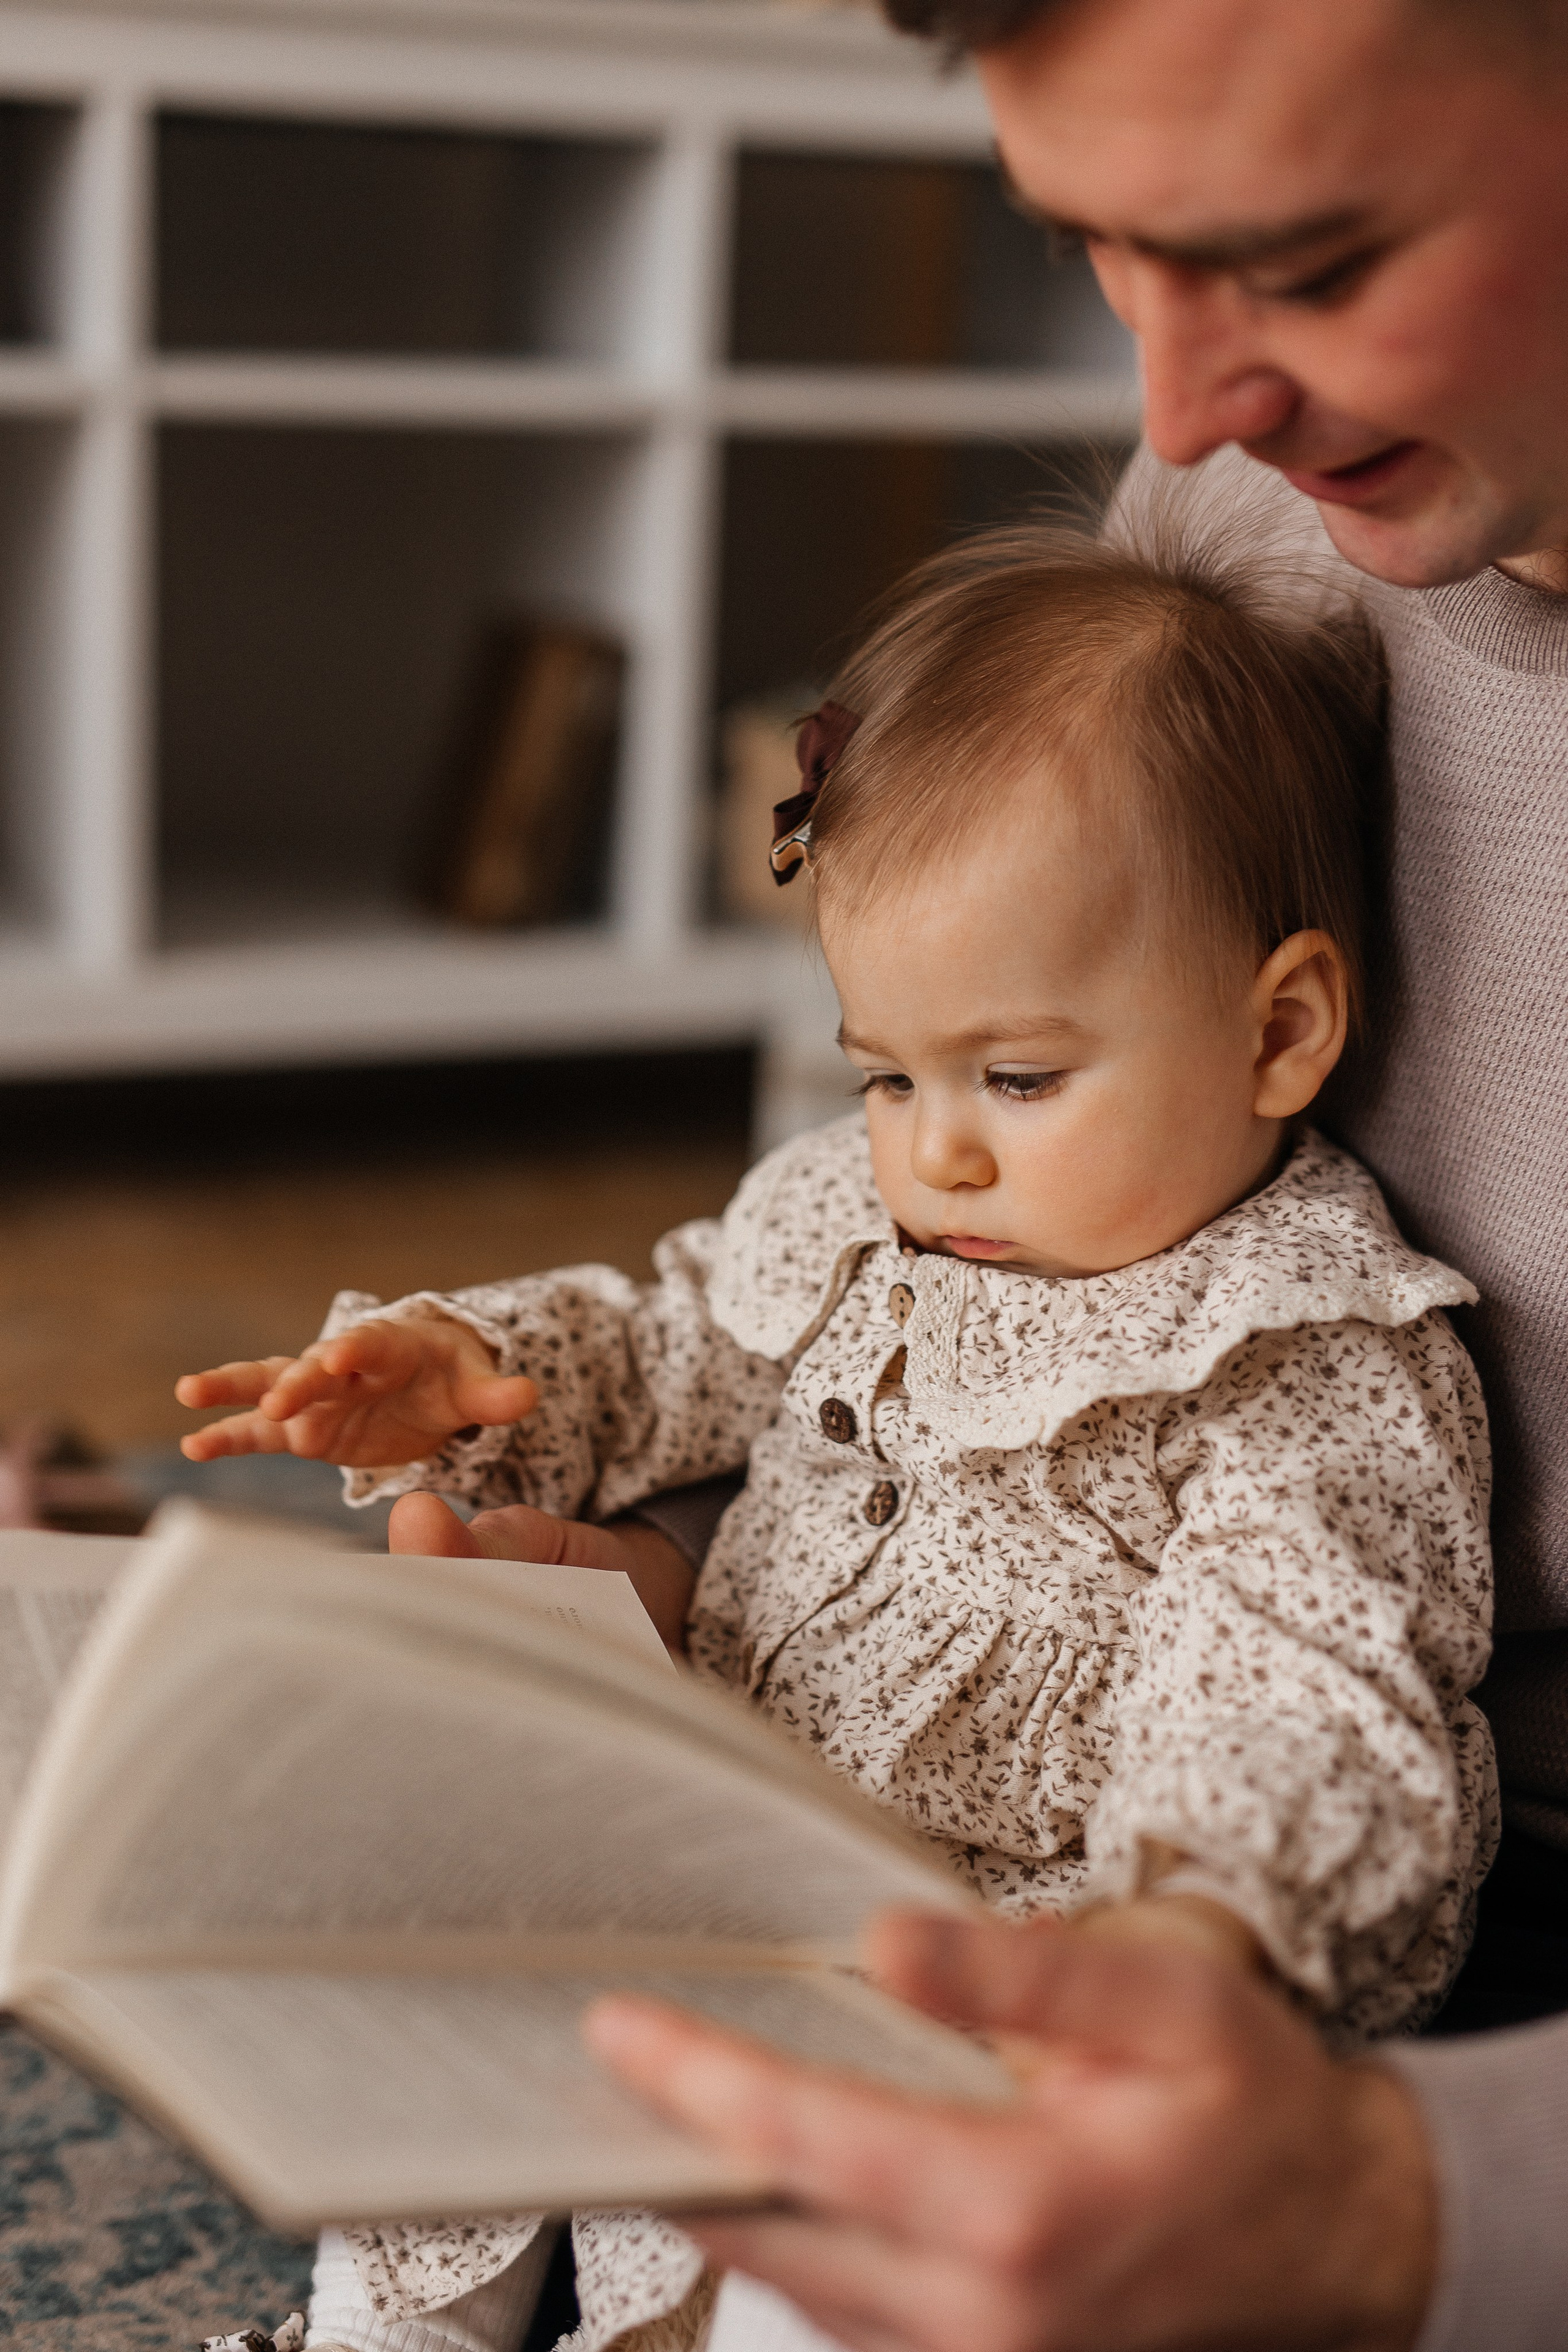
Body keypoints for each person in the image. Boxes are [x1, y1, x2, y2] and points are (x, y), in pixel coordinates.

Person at [178, 516, 1497, 2351]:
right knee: (453, 1955)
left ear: (1278, 1031)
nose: (933, 1149)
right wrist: (474, 1365)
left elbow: (1304, 1690)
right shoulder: (873, 1217)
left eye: (1017, 1078)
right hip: (729, 1815)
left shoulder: (1299, 1354)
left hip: (1012, 1935)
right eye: (887, 1071)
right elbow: (673, 1340)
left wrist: (1196, 1928)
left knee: (847, 2206)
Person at [569, 2, 1568, 2347]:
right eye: (1104, 252)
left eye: (1311, 262)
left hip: (1357, 1894)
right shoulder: (1263, 521)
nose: (1180, 418)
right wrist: (694, 1586)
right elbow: (1041, 1262)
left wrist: (1393, 2211)